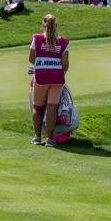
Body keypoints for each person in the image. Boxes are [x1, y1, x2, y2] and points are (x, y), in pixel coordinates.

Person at [29, 13, 70, 148]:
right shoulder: (64, 42)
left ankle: (37, 137)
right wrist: (60, 73)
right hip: (57, 78)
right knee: (52, 108)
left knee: (38, 107)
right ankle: (50, 139)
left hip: (41, 77)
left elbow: (31, 58)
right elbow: (65, 64)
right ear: (56, 26)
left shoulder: (37, 38)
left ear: (43, 25)